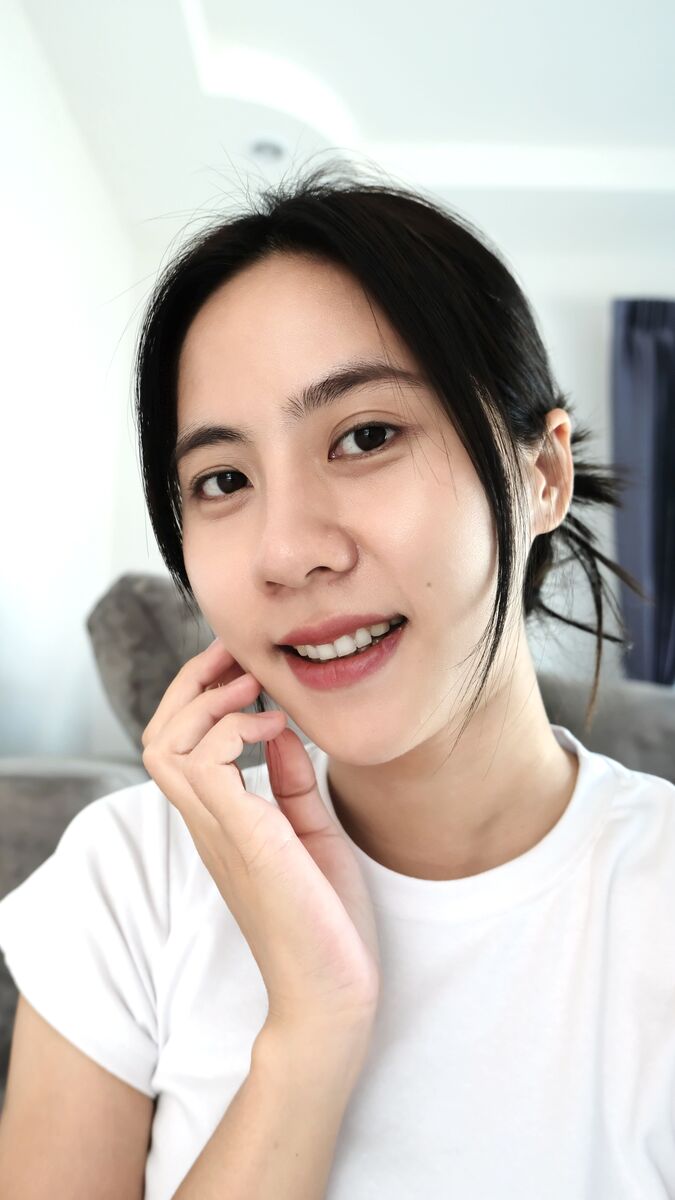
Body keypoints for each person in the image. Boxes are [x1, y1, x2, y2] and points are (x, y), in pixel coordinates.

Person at [0, 158, 673, 1199]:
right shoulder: (130, 879)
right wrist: (311, 1033)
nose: (286, 551)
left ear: (541, 474)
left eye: (365, 436)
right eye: (223, 479)